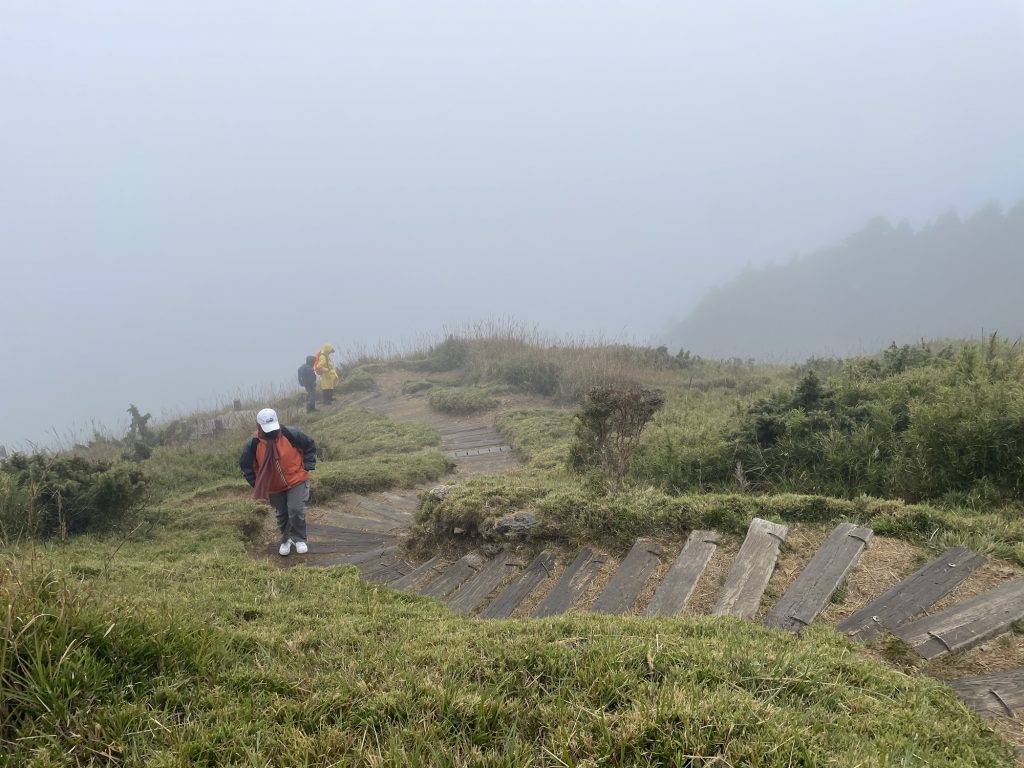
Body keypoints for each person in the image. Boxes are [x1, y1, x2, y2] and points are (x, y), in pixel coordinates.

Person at [239, 408, 317, 556]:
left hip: (296, 479)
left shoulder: (290, 434)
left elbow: (309, 445)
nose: (271, 432)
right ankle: (285, 540)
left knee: (295, 510)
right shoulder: (253, 444)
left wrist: (308, 465)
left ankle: (299, 538)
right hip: (273, 485)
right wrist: (257, 483)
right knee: (282, 513)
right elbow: (247, 466)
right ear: (259, 426)